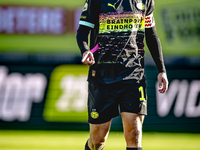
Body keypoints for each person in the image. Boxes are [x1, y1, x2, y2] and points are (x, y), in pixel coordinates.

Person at [76, 0, 168, 150]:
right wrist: (86, 51)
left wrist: (161, 70)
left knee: (135, 134)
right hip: (102, 76)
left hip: (133, 75)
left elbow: (151, 35)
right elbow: (83, 31)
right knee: (97, 140)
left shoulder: (146, 1)